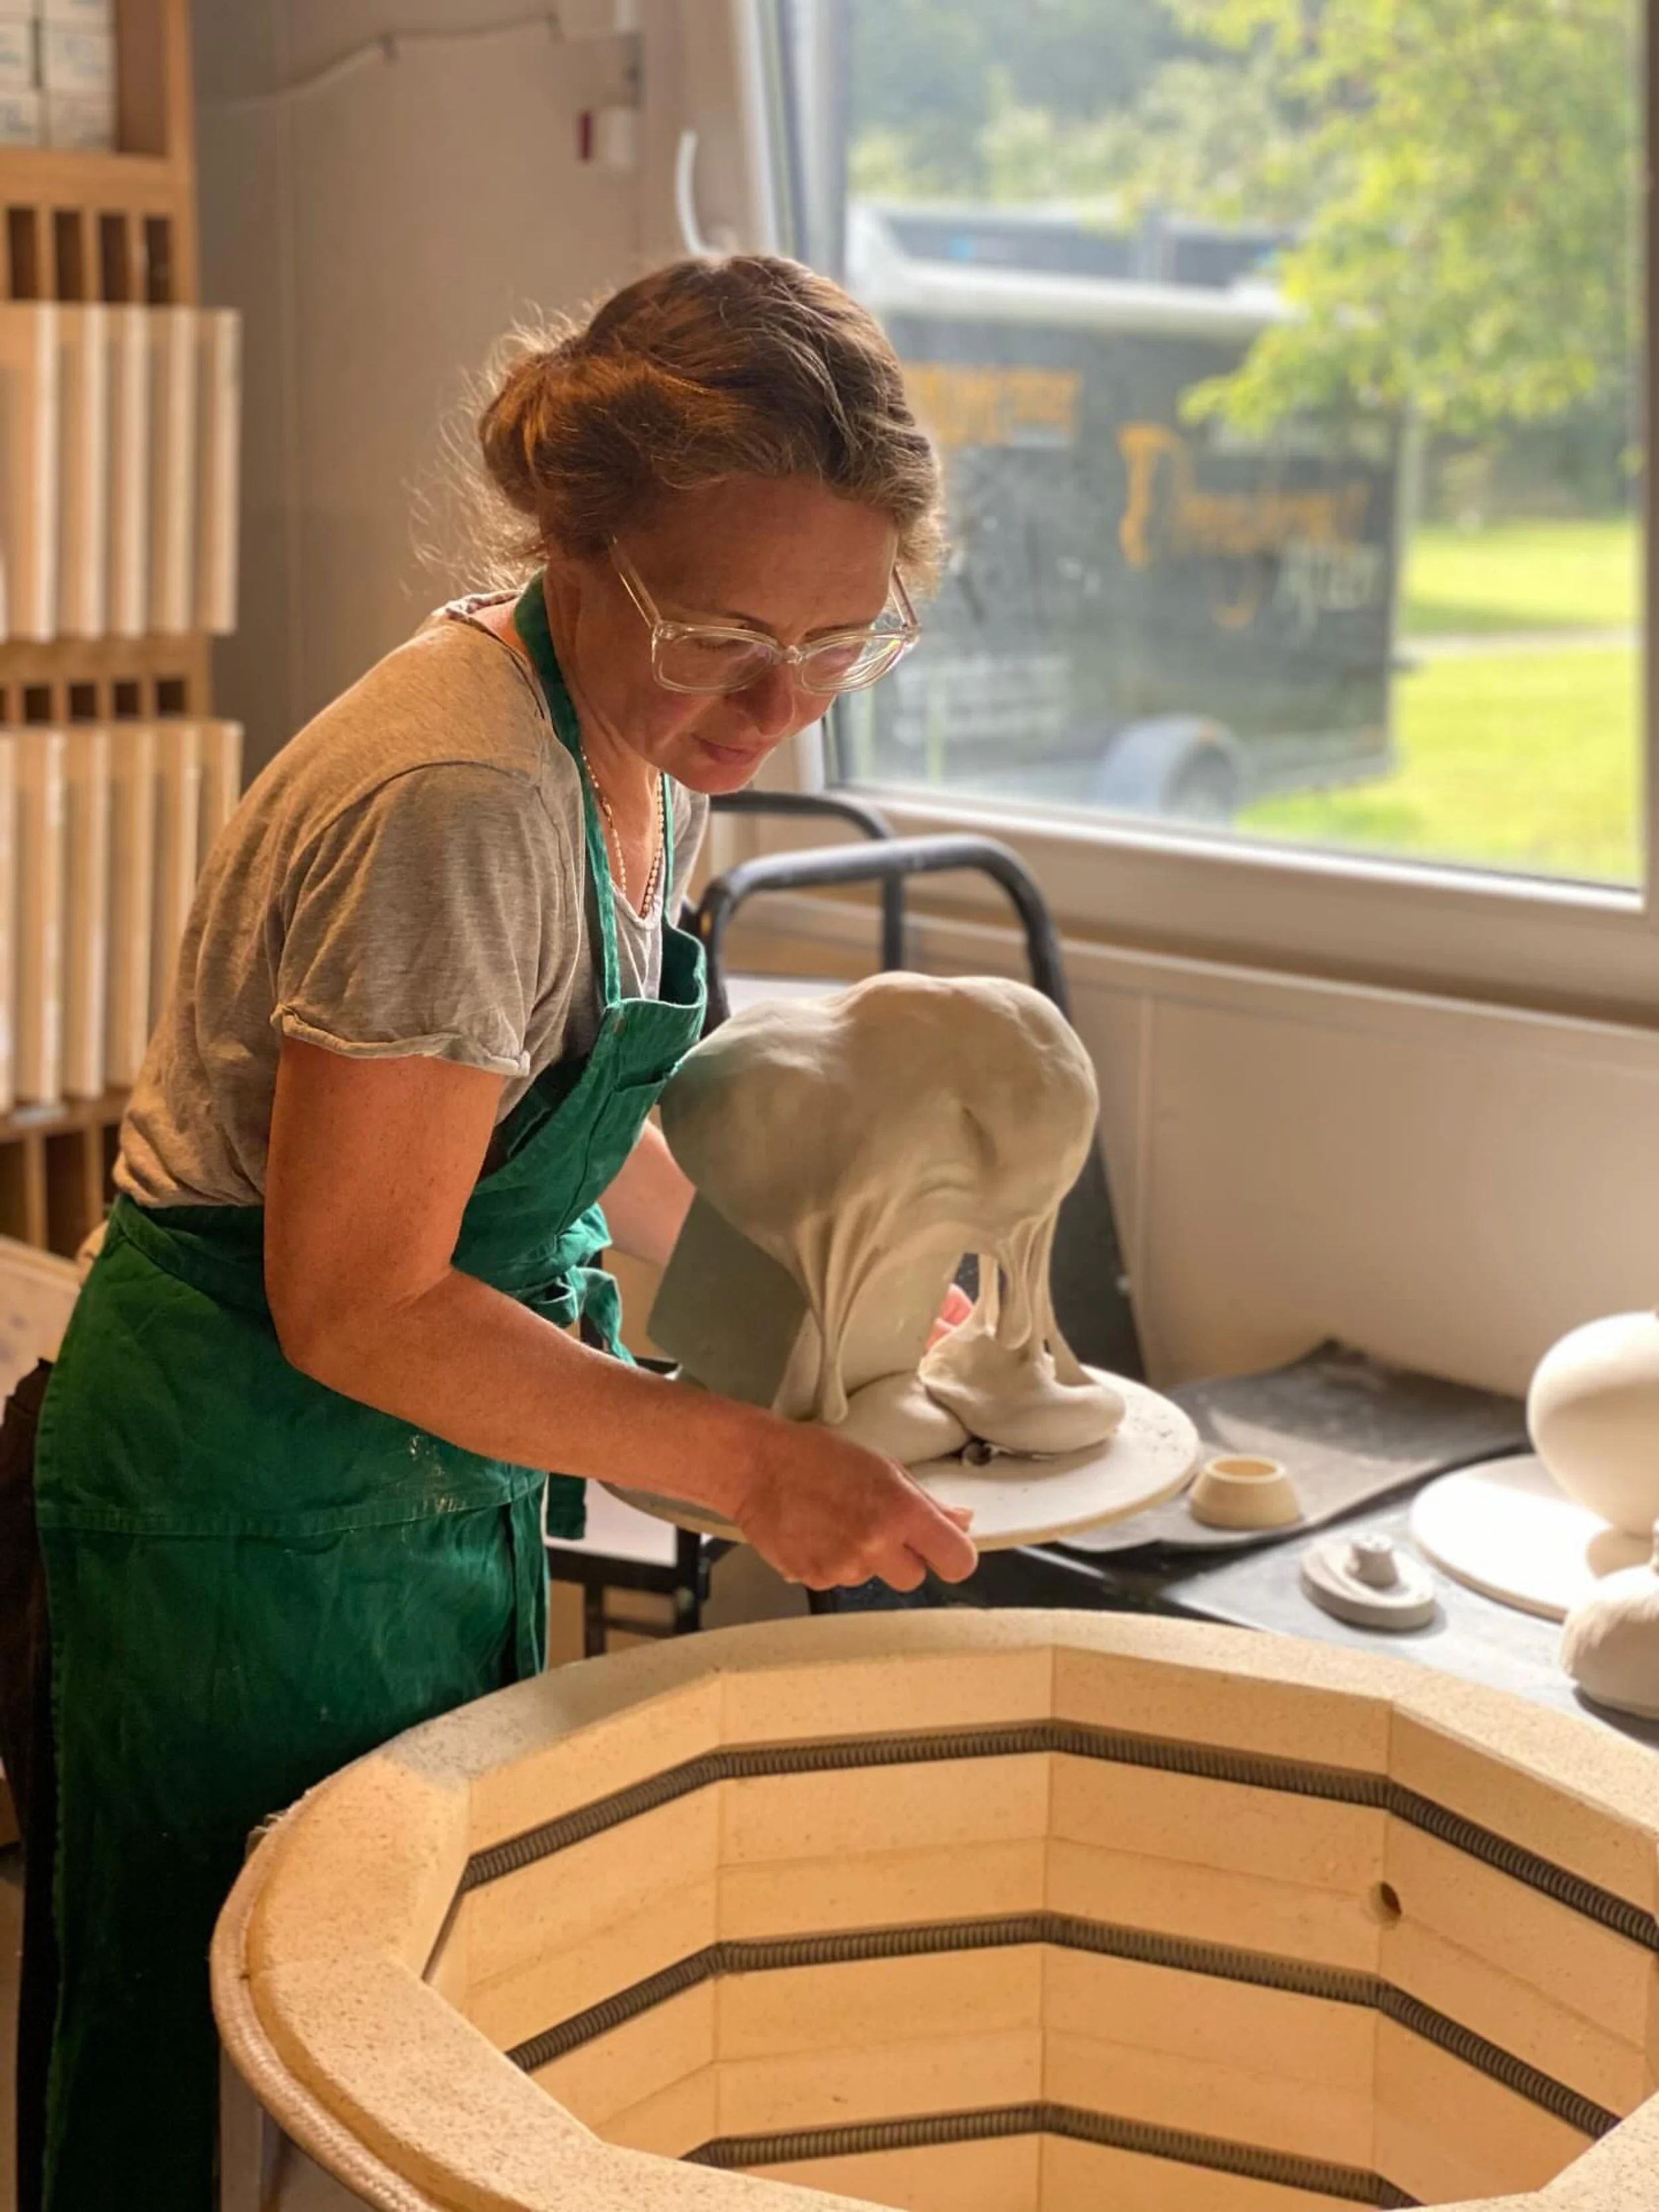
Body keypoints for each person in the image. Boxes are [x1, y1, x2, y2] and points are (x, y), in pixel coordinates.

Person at [11, 253, 979, 2212]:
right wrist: (745, 1464)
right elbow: (362, 1299)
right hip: (246, 1502)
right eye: (725, 632)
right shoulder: (463, 798)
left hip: (408, 1479)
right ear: (576, 539)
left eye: (839, 642)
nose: (779, 705)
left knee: (383, 2008)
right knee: (215, 2053)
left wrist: (827, 1298)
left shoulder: (635, 739)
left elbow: (556, 1139)